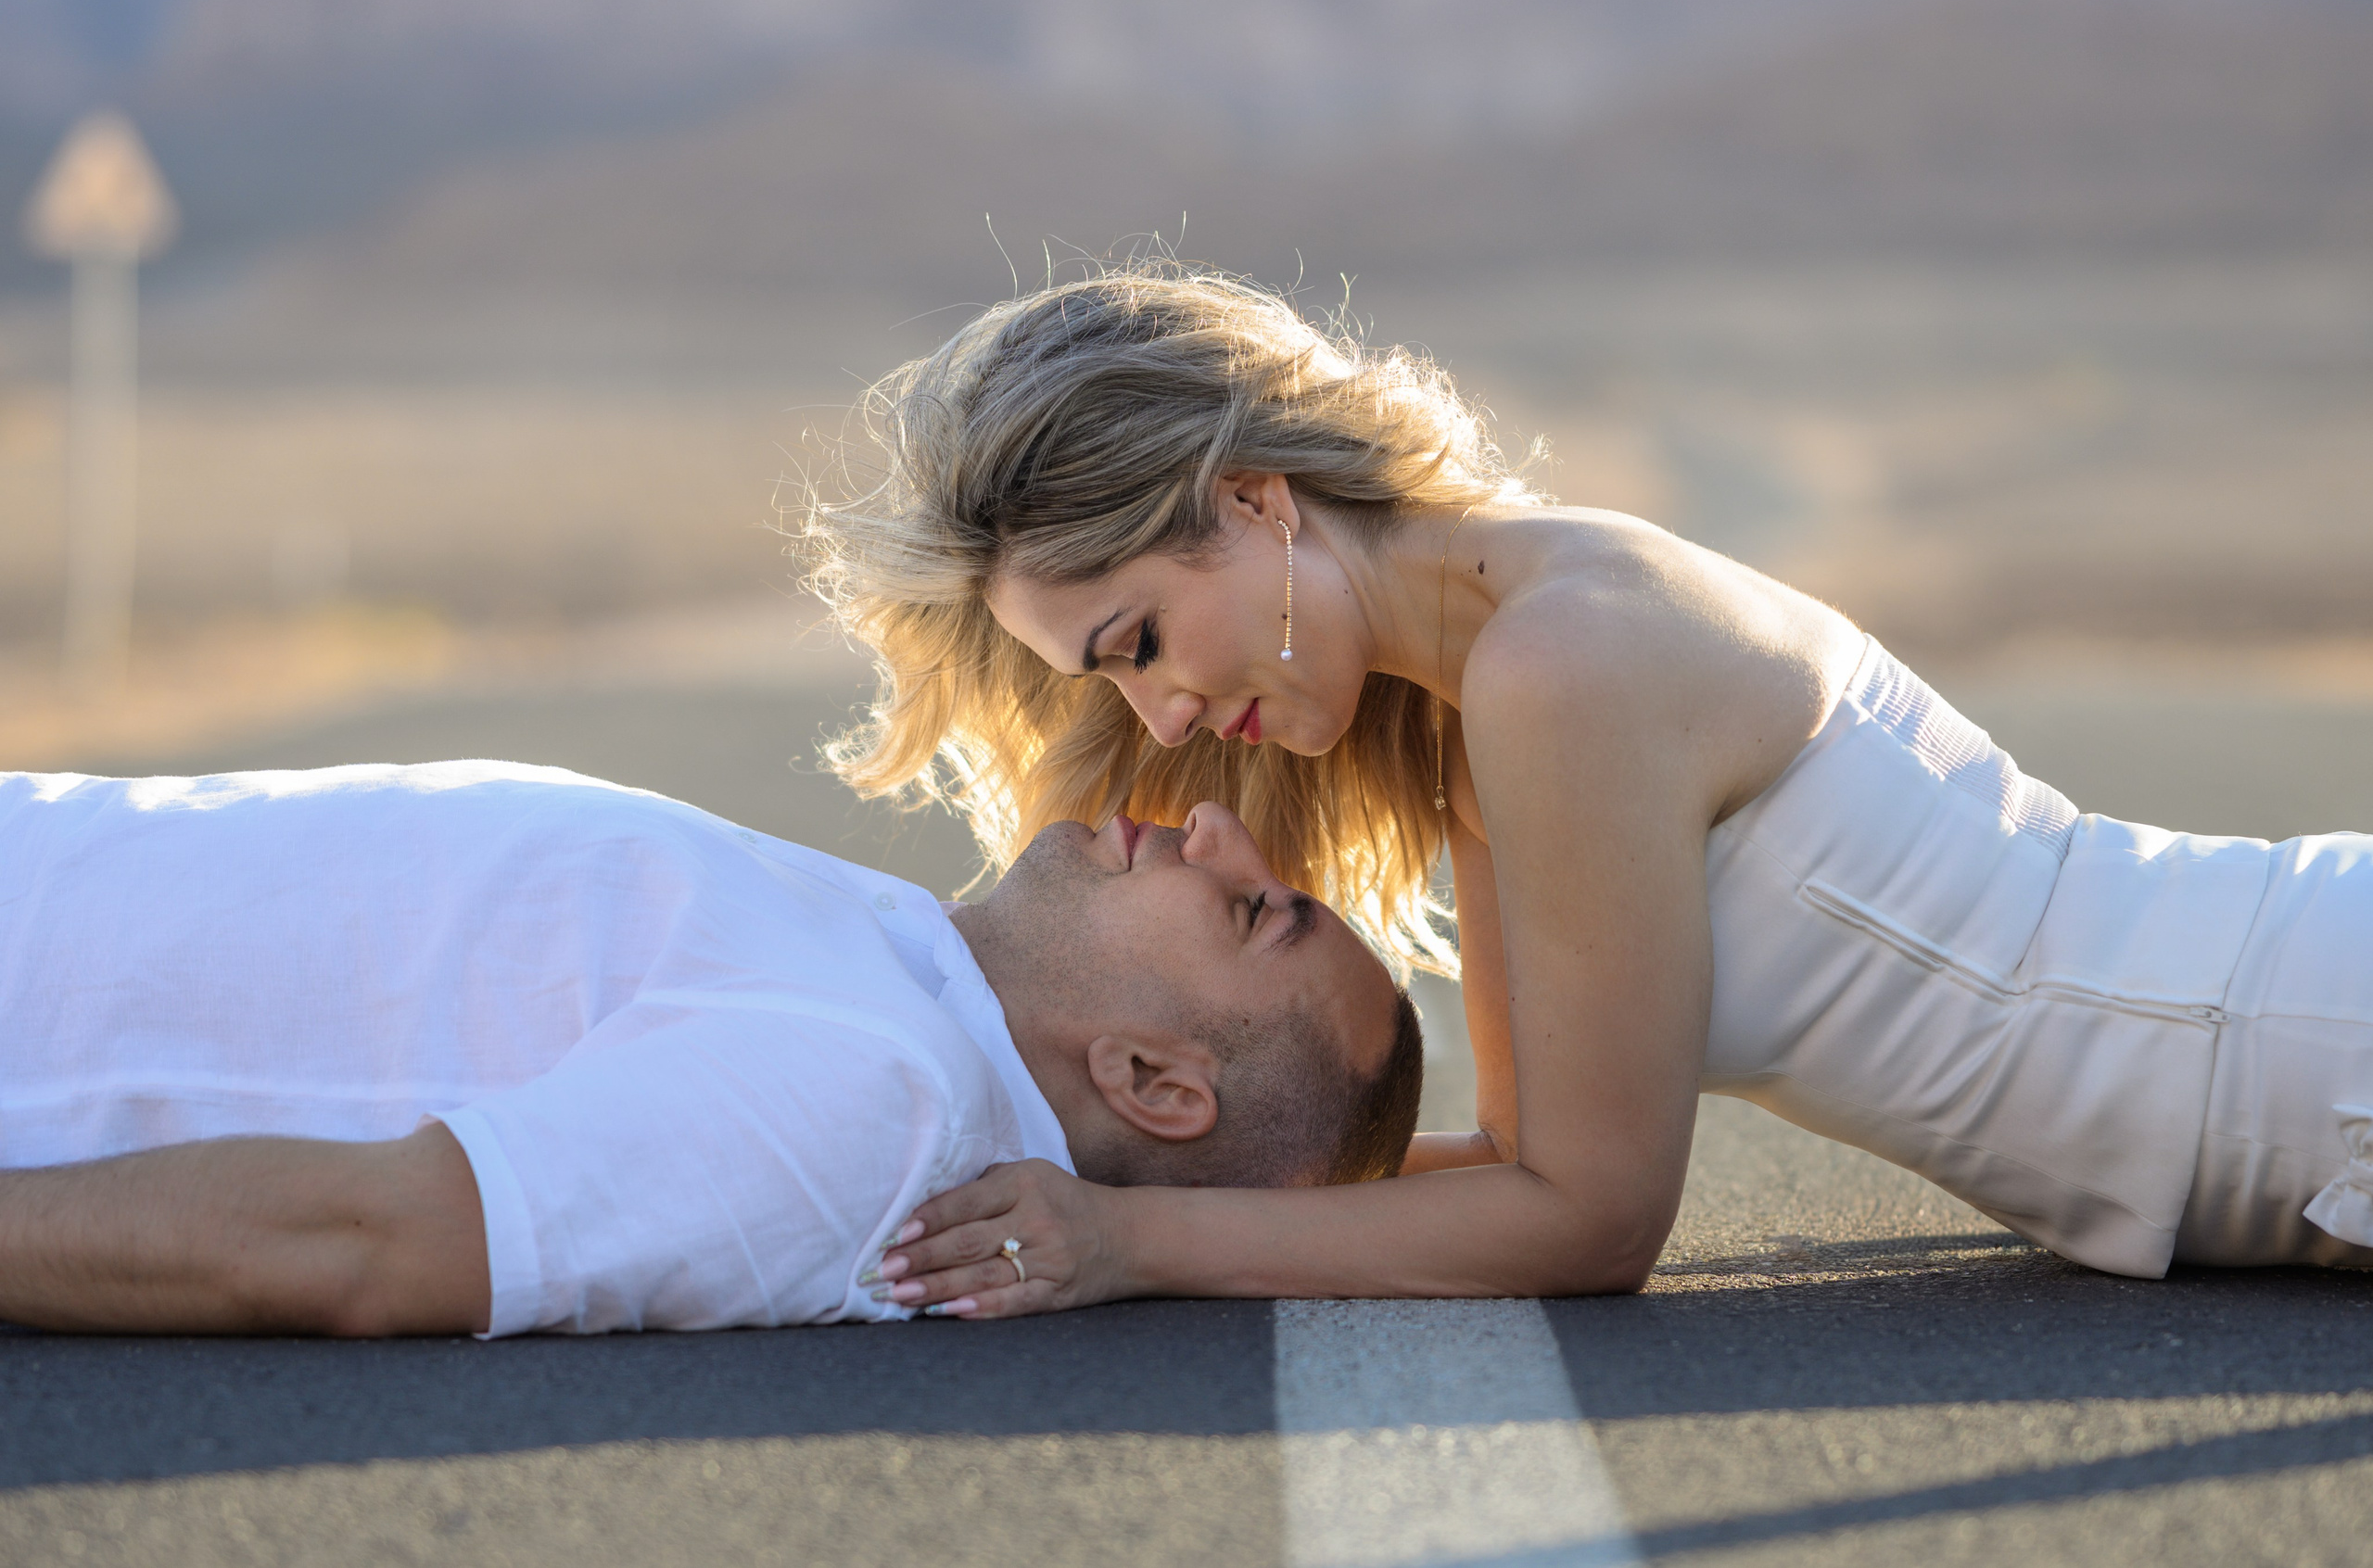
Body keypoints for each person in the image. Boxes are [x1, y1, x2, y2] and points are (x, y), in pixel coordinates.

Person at [796, 264, 2373, 1319]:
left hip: (2313, 1037)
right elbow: (1529, 1160)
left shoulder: (1563, 661)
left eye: (1140, 639)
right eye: (1109, 680)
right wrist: (1067, 1169)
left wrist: (1130, 1239)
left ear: (1256, 502)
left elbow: (1591, 1221)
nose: (1160, 709)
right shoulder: (1493, 681)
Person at [0, 762, 1419, 1336]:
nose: (1221, 828)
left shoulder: (878, 1085)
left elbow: (370, 1241)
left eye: (1252, 911)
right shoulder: (905, 973)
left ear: (1152, 1083)